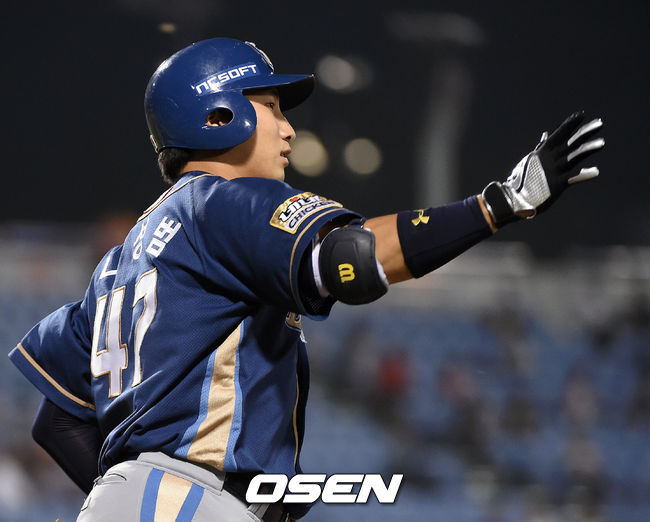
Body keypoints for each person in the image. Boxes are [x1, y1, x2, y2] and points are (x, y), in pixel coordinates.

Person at [8, 37, 604, 521]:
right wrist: (498, 205)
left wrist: (120, 500)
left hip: (151, 501)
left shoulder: (119, 261)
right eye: (271, 106)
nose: (288, 129)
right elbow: (353, 259)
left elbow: (56, 419)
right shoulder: (221, 203)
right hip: (188, 502)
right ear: (219, 116)